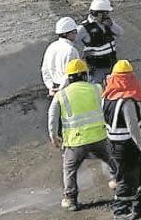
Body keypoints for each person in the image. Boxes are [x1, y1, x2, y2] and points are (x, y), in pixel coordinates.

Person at [49, 58, 117, 211]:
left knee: (69, 169)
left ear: (69, 77)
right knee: (112, 159)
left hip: (75, 141)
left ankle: (71, 199)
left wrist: (54, 137)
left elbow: (52, 118)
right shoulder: (97, 88)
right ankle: (120, 183)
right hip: (100, 136)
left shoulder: (61, 95)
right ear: (85, 74)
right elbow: (107, 108)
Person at [103, 60, 141, 220]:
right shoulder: (127, 102)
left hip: (114, 145)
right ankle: (121, 212)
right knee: (127, 180)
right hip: (128, 147)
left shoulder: (107, 97)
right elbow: (133, 129)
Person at [78, 0, 123, 87]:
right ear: (98, 13)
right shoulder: (84, 28)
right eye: (105, 13)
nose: (107, 15)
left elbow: (120, 32)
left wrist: (111, 25)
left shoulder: (108, 24)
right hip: (96, 68)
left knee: (113, 89)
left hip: (111, 64)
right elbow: (73, 42)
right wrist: (82, 55)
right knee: (97, 90)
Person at [41, 17, 82, 97]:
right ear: (66, 34)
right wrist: (60, 89)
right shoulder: (71, 50)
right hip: (68, 90)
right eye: (74, 32)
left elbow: (45, 69)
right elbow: (70, 74)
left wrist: (50, 87)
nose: (76, 34)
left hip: (54, 88)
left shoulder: (51, 46)